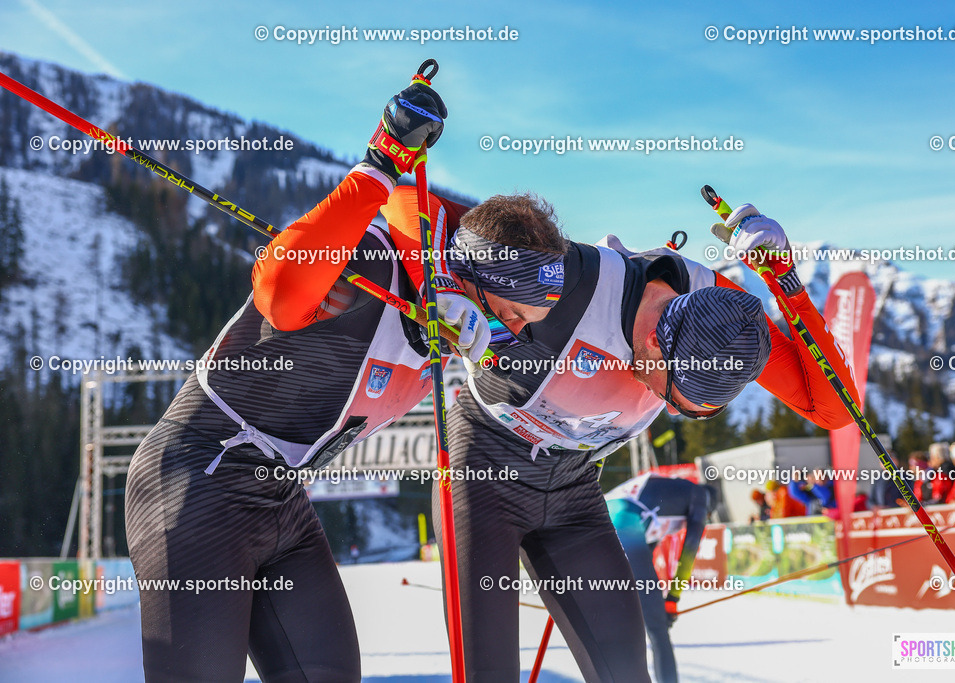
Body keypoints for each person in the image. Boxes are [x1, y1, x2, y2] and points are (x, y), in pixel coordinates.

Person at [124, 76, 559, 682]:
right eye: (509, 315)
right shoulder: (371, 265)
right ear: (474, 280)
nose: (506, 332)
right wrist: (381, 164)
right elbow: (280, 289)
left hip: (279, 496)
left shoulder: (448, 312)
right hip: (200, 479)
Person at [435, 201, 860, 682]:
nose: (668, 408)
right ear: (657, 341)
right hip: (487, 470)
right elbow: (417, 200)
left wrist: (785, 281)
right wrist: (447, 286)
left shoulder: (719, 313)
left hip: (572, 489)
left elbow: (836, 408)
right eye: (669, 395)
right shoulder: (572, 277)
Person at [605, 473, 715, 683]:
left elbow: (645, 555)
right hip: (625, 520)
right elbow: (690, 548)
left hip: (599, 517)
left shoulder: (670, 494)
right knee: (658, 631)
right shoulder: (700, 494)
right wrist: (672, 599)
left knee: (620, 626)